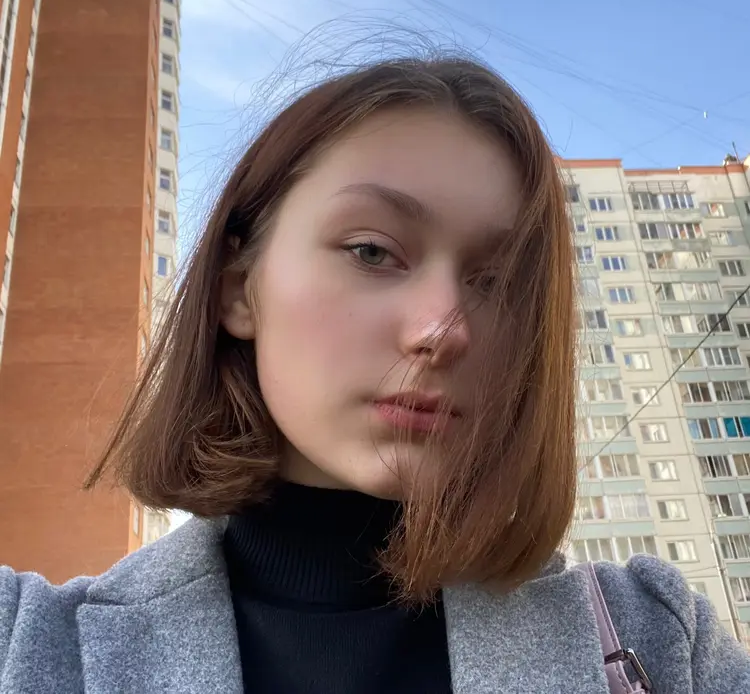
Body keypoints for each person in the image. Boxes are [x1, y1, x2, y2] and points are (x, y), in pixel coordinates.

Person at [1, 55, 748, 694]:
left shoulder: (657, 638)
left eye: (496, 283)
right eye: (371, 251)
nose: (444, 329)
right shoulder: (29, 646)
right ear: (237, 288)